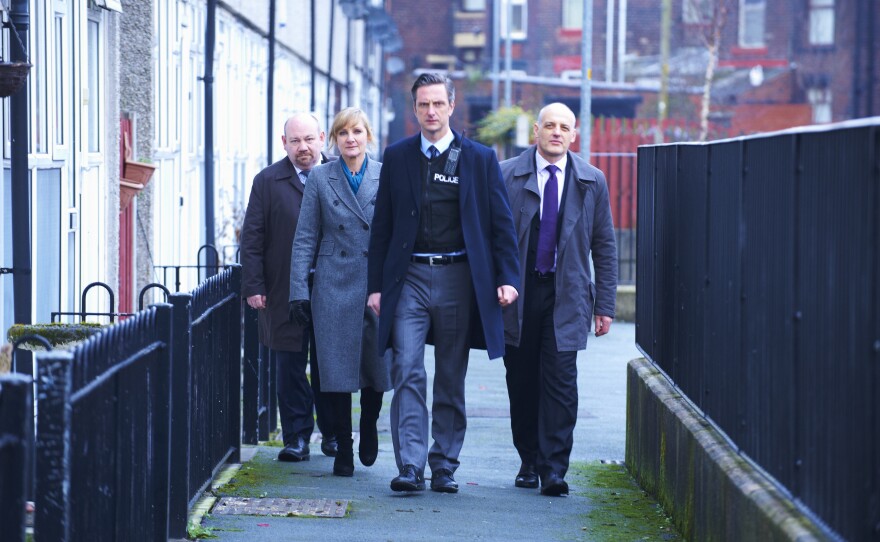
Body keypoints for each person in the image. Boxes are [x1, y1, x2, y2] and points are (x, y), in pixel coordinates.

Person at [367, 73, 520, 493]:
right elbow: (381, 226)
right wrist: (375, 286)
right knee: (407, 368)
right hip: (408, 278)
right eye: (423, 105)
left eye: (438, 103)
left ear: (452, 106)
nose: (431, 112)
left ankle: (445, 463)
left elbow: (500, 225)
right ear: (414, 109)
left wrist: (508, 278)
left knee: (451, 374)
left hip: (459, 278)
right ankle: (411, 466)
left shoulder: (478, 158)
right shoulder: (396, 157)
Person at [499, 102, 618, 496]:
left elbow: (605, 245)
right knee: (522, 378)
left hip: (567, 293)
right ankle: (528, 460)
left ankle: (554, 469)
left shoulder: (592, 180)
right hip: (519, 293)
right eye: (549, 125)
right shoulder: (508, 174)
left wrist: (605, 305)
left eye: (563, 127)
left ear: (574, 134)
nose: (556, 133)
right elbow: (493, 238)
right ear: (536, 131)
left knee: (562, 382)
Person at [288, 108, 391, 477]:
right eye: (343, 132)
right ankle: (343, 444)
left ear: (368, 136)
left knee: (375, 366)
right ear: (334, 138)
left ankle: (368, 426)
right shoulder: (320, 177)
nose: (351, 138)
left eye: (357, 131)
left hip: (373, 281)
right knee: (333, 370)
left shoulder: (385, 174)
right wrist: (298, 290)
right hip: (332, 283)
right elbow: (305, 237)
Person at [240, 112, 336, 462]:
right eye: (295, 141)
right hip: (283, 289)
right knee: (290, 366)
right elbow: (252, 238)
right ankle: (296, 437)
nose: (303, 147)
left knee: (330, 365)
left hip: (332, 288)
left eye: (309, 139)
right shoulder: (268, 181)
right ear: (284, 143)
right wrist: (254, 286)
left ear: (322, 137)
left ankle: (333, 434)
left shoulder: (339, 175)